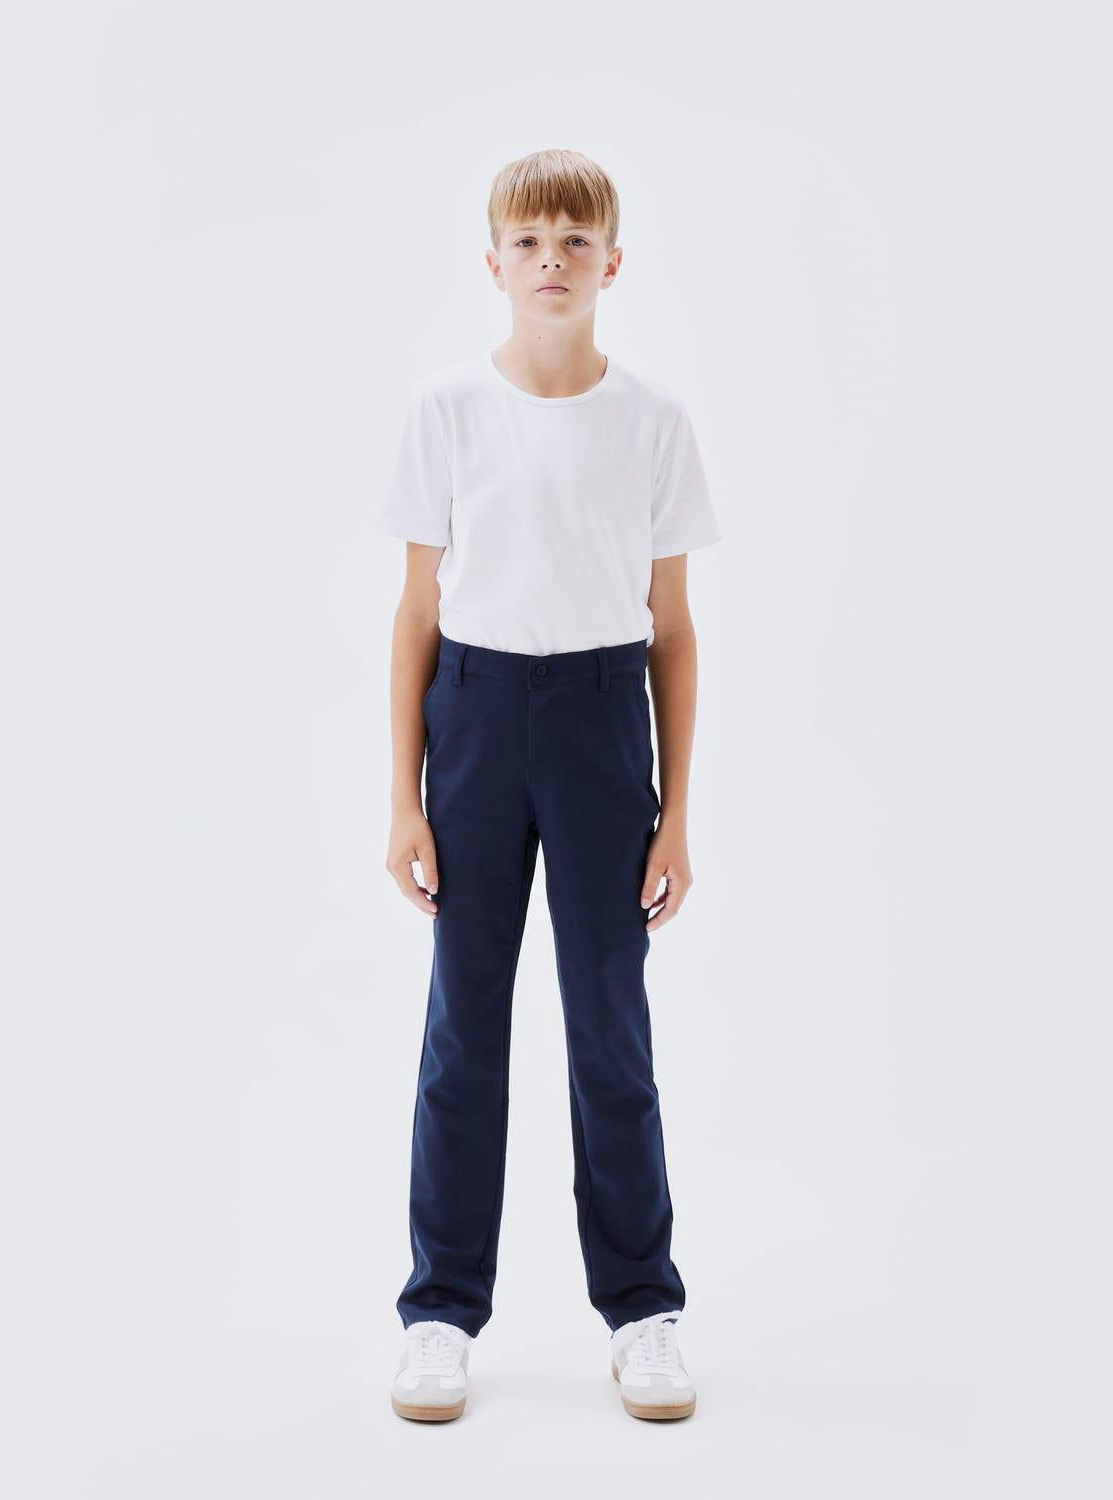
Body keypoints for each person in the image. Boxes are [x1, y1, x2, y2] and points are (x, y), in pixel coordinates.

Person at [377, 148, 722, 1423]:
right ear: (494, 264)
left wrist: (675, 812)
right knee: (463, 1028)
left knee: (609, 1028)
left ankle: (643, 1310)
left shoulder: (654, 422)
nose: (552, 260)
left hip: (598, 721)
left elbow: (671, 628)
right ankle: (438, 1312)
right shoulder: (448, 410)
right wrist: (403, 798)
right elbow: (417, 612)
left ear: (612, 262)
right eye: (528, 242)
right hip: (474, 718)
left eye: (575, 240)